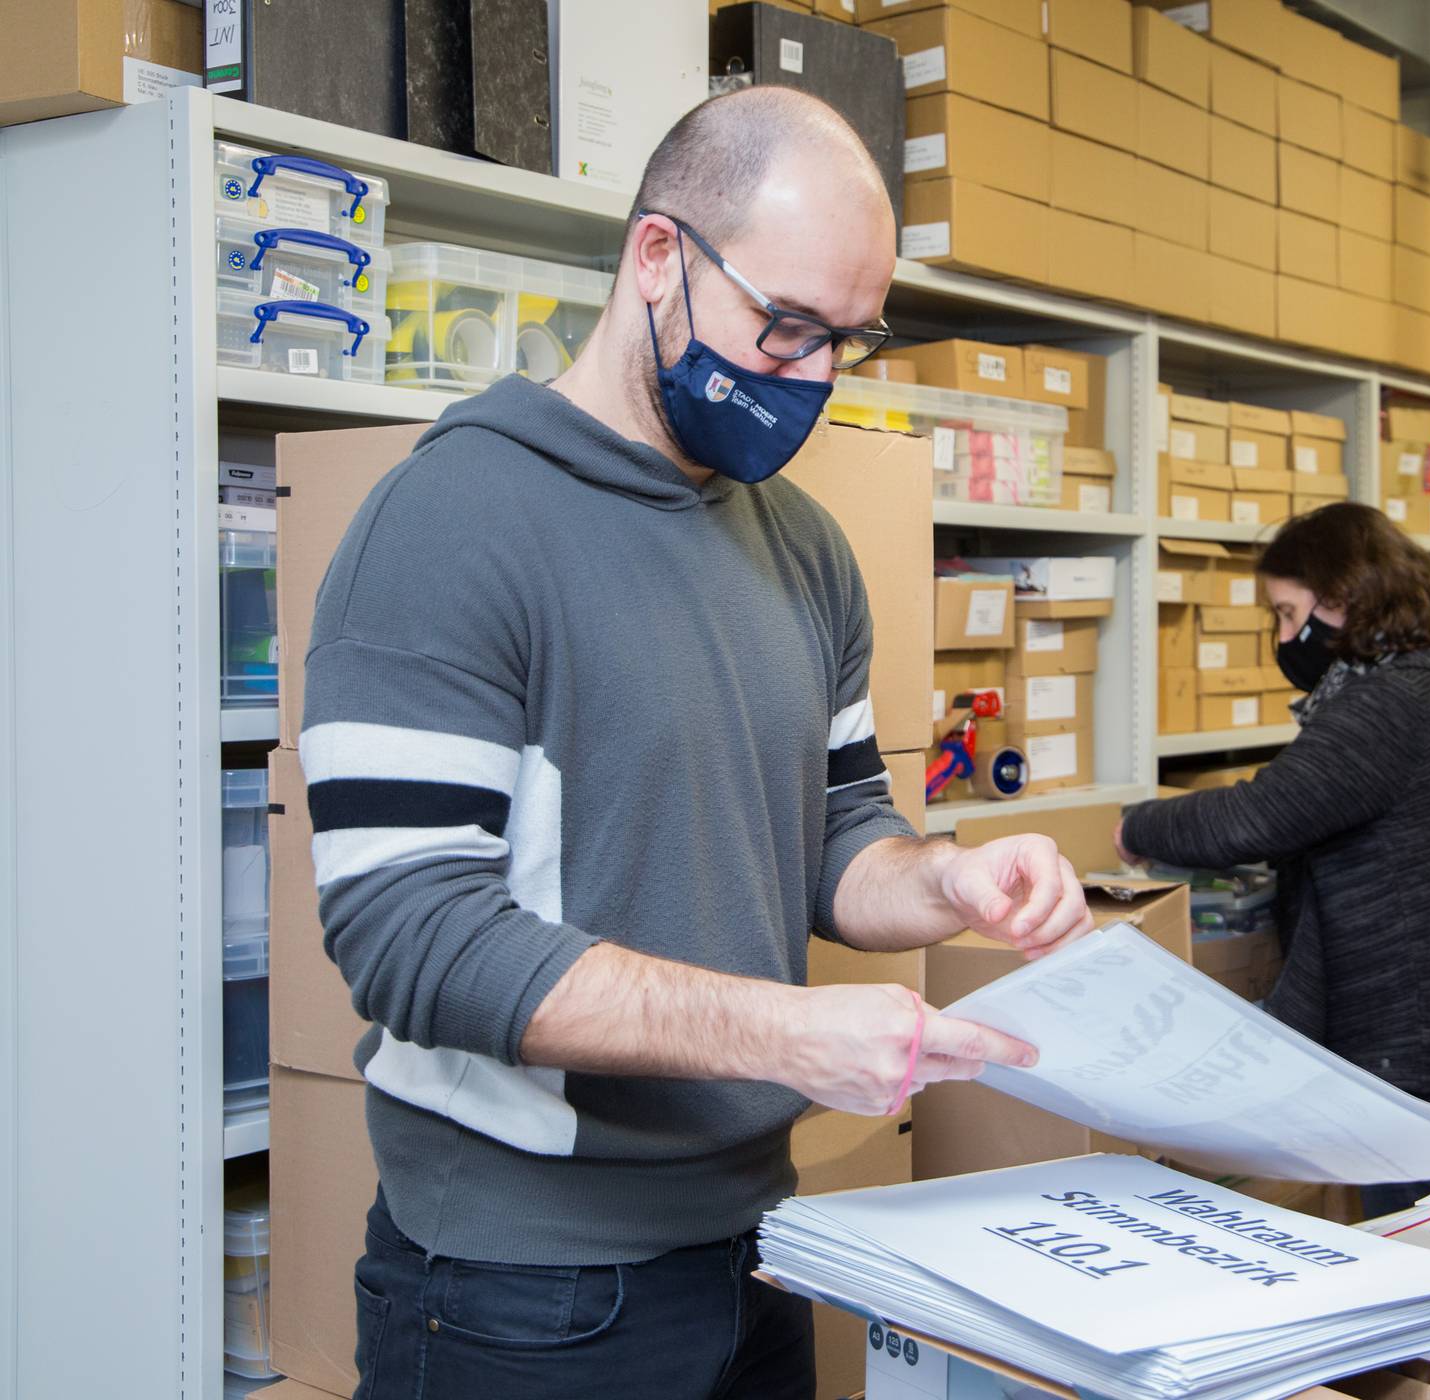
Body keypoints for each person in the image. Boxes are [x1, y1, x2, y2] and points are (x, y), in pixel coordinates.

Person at [303, 88, 1095, 1398]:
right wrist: (784, 1035)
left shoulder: (802, 549)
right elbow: (407, 937)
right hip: (525, 1297)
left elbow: (837, 834)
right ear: (658, 257)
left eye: (846, 340)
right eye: (785, 326)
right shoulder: (453, 524)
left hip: (756, 1256)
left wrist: (941, 879)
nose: (811, 379)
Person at [1114, 501, 1430, 1220]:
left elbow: (1261, 815)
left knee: (1424, 1264)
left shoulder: (1393, 705)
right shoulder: (1419, 687)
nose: (1281, 637)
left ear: (1339, 600)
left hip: (1422, 1049)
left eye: (1285, 612)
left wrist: (1135, 828)